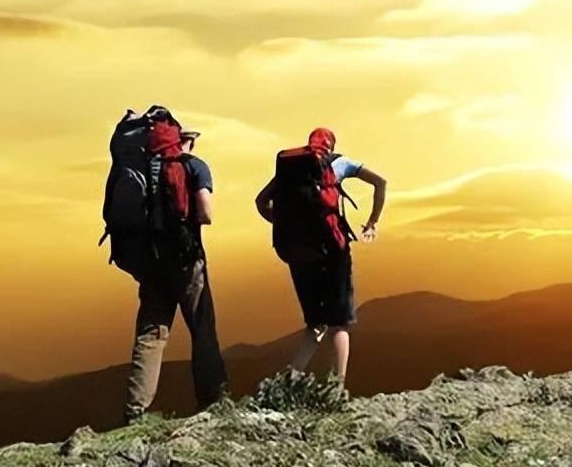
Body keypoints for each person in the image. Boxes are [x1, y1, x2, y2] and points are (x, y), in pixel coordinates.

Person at [254, 128, 386, 384]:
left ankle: (289, 383)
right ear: (331, 145)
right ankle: (337, 389)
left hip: (298, 252)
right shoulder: (339, 163)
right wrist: (372, 222)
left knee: (314, 324)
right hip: (332, 251)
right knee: (338, 324)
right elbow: (381, 183)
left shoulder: (290, 169)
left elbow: (261, 201)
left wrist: (283, 224)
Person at [123, 126, 229, 423]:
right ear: (184, 142)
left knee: (151, 334)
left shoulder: (141, 170)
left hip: (152, 264)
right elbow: (206, 213)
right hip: (186, 261)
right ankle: (212, 399)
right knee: (202, 328)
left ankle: (135, 411)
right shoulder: (193, 166)